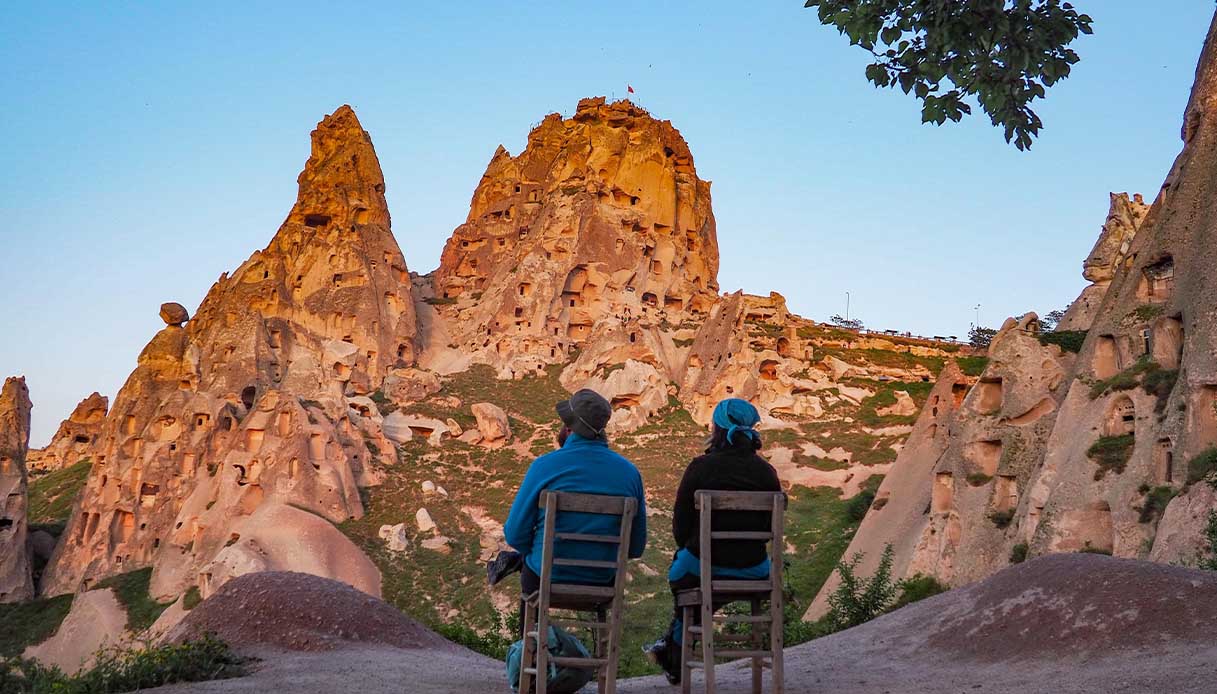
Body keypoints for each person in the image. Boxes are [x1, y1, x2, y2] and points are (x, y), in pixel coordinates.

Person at [644, 398, 782, 684]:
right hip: (755, 570)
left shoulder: (701, 468)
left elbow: (680, 528)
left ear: (718, 429)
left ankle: (675, 649)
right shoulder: (767, 473)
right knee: (702, 577)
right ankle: (671, 647)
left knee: (683, 575)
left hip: (704, 565)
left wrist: (697, 549)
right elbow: (769, 528)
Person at [502, 388, 647, 634]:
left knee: (527, 567)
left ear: (569, 429)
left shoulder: (544, 467)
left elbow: (514, 535)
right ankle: (601, 665)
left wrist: (537, 551)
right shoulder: (630, 474)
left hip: (546, 578)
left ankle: (530, 654)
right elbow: (635, 548)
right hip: (603, 580)